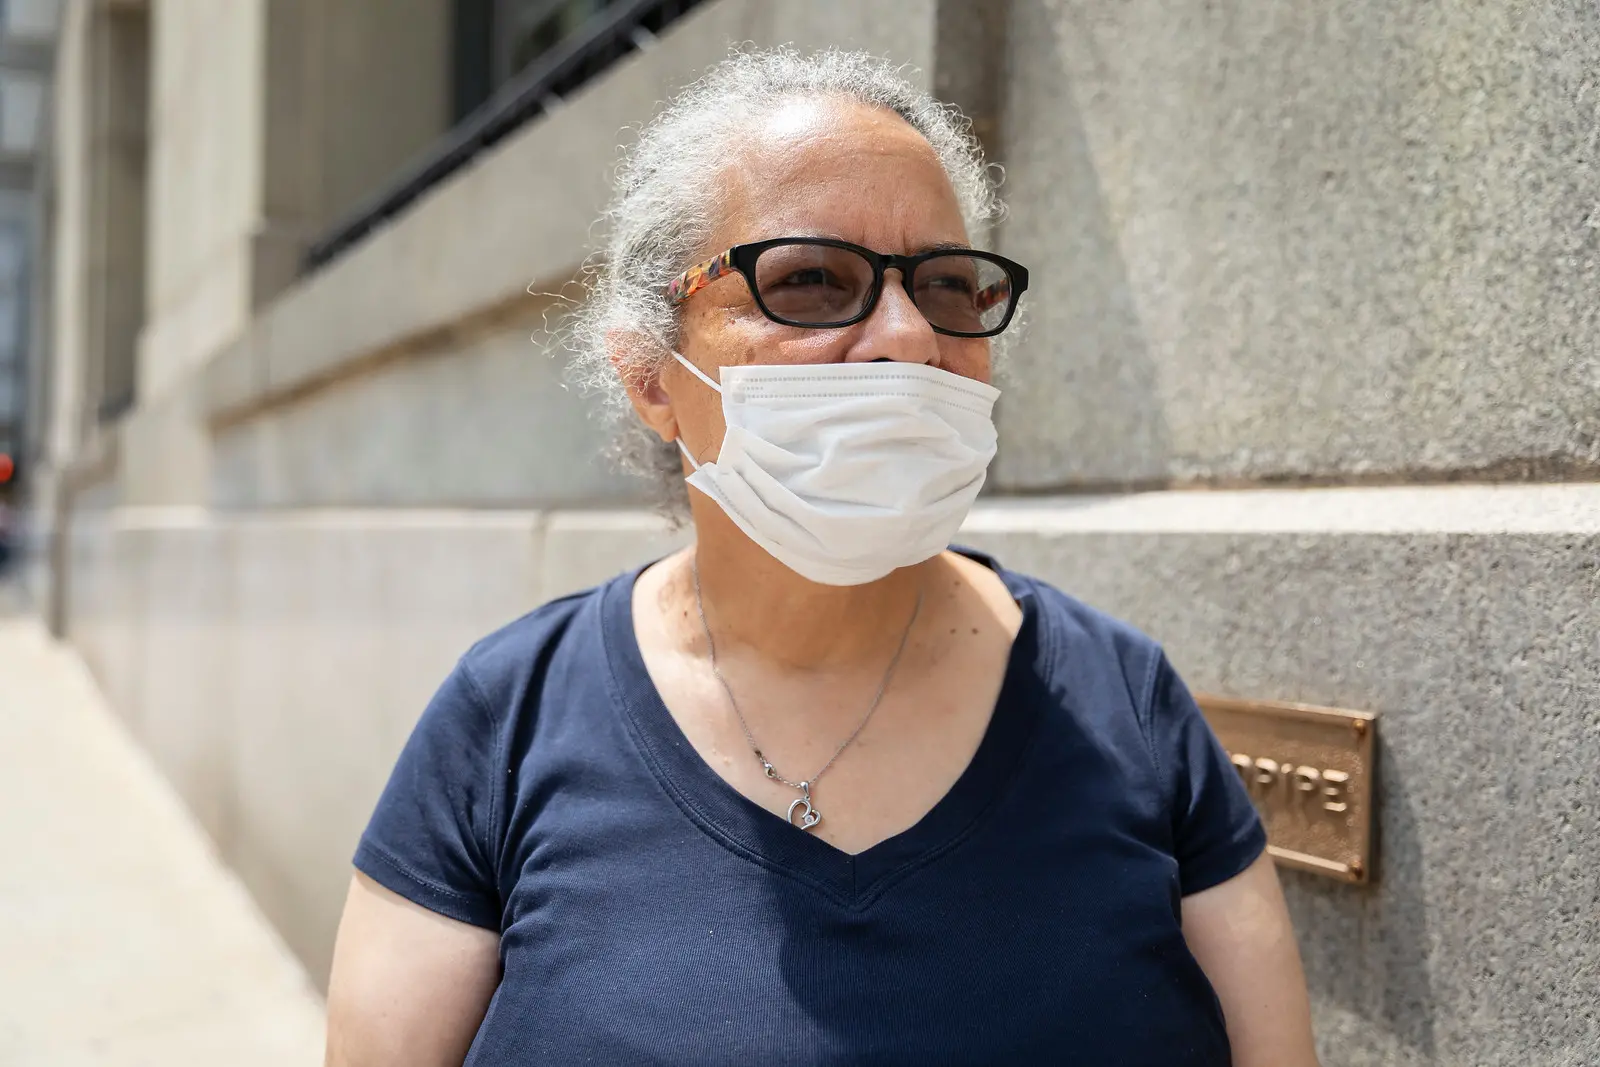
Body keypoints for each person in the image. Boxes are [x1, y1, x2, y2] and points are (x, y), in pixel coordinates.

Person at [325, 49, 1319, 1067]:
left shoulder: (1128, 704)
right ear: (651, 379)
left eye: (945, 284)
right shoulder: (506, 721)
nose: (905, 334)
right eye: (809, 279)